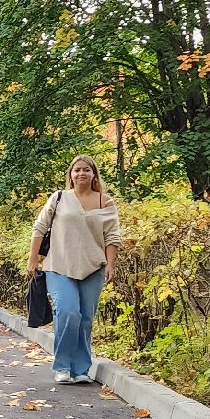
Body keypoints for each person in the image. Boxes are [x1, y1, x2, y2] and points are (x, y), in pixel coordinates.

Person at [29, 155, 122, 384]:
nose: (82, 173)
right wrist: (33, 259)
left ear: (94, 174)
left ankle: (81, 369)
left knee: (86, 318)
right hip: (59, 266)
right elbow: (40, 228)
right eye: (77, 170)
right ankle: (62, 366)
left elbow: (112, 236)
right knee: (68, 312)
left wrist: (111, 264)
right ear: (70, 175)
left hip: (93, 267)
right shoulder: (59, 198)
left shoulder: (105, 201)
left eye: (87, 170)